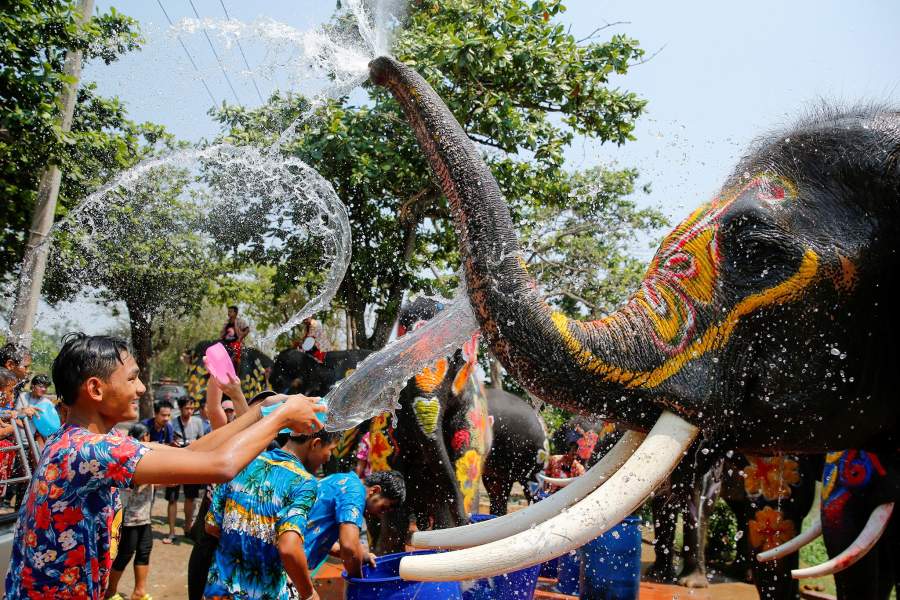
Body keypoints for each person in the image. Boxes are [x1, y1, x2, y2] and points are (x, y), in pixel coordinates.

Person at [3, 332, 325, 600]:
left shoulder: (81, 441)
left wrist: (262, 410)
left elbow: (193, 452)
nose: (142, 388)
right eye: (132, 378)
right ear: (96, 389)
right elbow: (222, 466)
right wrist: (282, 418)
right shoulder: (88, 450)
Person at [204, 428, 341, 600]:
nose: (329, 457)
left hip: (219, 589)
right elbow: (289, 548)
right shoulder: (304, 483)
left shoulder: (243, 461)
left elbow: (211, 525)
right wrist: (309, 594)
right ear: (316, 444)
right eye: (331, 450)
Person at [303, 470, 406, 578]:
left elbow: (318, 539)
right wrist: (360, 582)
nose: (380, 514)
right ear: (375, 490)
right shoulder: (355, 495)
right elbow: (349, 548)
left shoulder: (343, 479)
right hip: (292, 562)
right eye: (383, 508)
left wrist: (361, 555)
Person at [105, 423, 155, 600]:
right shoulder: (133, 459)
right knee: (125, 554)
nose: (147, 439)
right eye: (145, 436)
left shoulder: (148, 457)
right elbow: (139, 480)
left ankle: (139, 592)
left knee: (144, 551)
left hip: (144, 517)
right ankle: (110, 591)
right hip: (129, 518)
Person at [163, 396, 207, 544]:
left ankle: (188, 528)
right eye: (187, 408)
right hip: (174, 464)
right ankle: (171, 532)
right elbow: (167, 444)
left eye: (192, 408)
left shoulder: (198, 422)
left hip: (191, 465)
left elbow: (202, 442)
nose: (190, 411)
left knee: (190, 498)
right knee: (172, 499)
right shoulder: (171, 423)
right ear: (181, 408)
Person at [542, 428, 586, 493]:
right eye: (573, 453)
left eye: (576, 454)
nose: (574, 456)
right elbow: (546, 477)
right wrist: (545, 492)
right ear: (567, 450)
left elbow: (582, 485)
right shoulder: (554, 460)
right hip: (552, 493)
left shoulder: (579, 469)